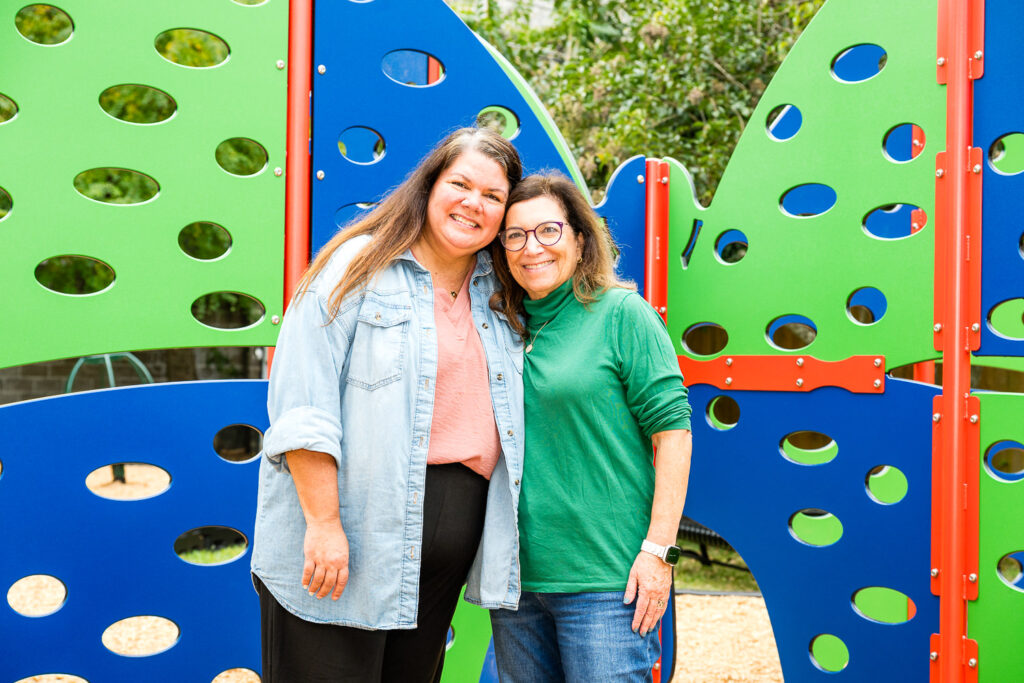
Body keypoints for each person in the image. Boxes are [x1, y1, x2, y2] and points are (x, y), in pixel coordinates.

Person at [250, 127, 525, 683]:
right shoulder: (357, 266)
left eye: (493, 197)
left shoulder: (501, 294)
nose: (474, 203)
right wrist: (324, 523)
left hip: (448, 547)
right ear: (429, 186)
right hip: (352, 524)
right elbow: (305, 404)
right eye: (461, 184)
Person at [488, 172, 693, 682]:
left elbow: (673, 432)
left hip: (608, 582)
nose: (531, 247)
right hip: (517, 584)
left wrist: (659, 553)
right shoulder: (499, 327)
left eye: (548, 231)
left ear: (581, 239)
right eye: (515, 235)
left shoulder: (622, 314)